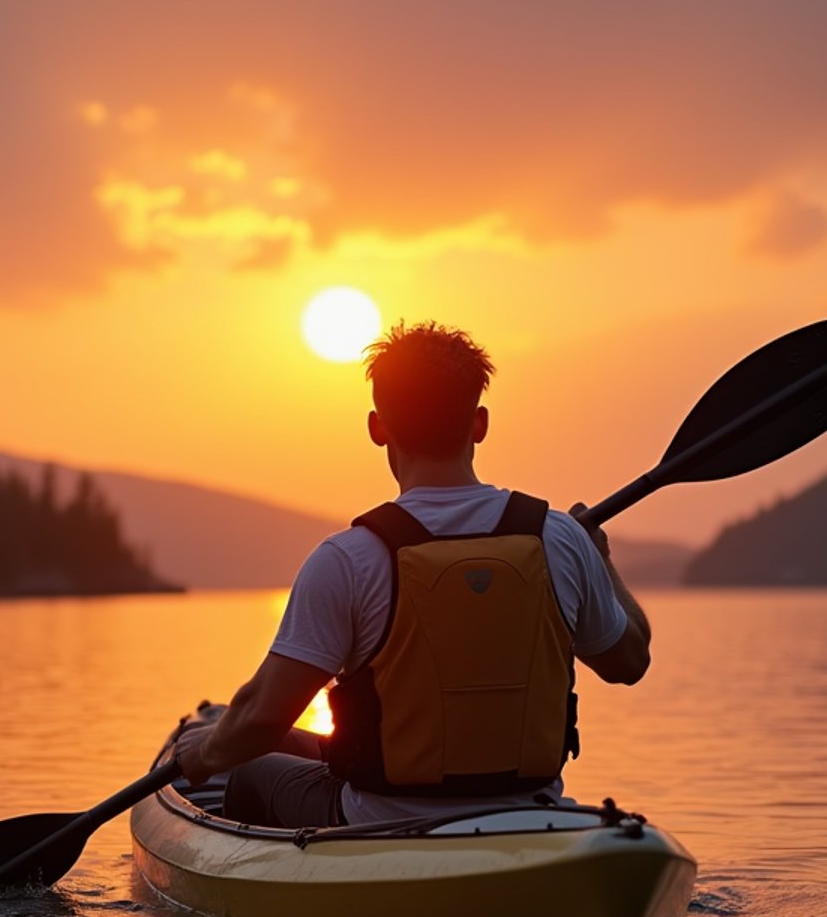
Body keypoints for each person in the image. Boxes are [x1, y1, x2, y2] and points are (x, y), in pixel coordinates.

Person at [176, 321, 650, 827]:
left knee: (249, 767)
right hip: (534, 819)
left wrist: (199, 756)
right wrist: (599, 557)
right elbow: (630, 660)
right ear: (479, 423)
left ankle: (270, 893)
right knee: (294, 744)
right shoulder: (560, 539)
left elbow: (261, 717)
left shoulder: (349, 558)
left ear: (378, 428)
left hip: (380, 824)